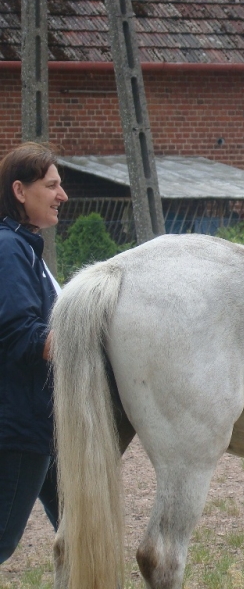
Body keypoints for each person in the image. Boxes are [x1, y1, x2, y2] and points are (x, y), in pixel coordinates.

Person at [0, 142, 67, 563]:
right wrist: (95, 342)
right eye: (52, 185)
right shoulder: (9, 249)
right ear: (20, 191)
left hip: (46, 426)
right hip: (20, 427)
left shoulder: (27, 248)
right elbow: (25, 335)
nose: (63, 195)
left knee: (80, 524)